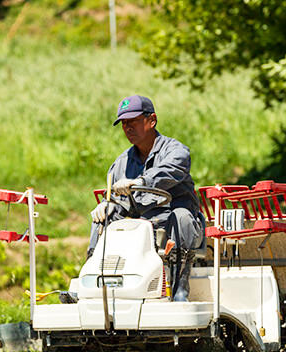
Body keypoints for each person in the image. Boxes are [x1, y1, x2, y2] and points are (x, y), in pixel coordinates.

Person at [87, 95, 203, 302]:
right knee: (103, 219)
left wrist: (140, 182)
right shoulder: (121, 163)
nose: (128, 128)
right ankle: (91, 283)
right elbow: (118, 200)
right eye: (124, 124)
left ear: (152, 120)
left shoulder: (175, 151)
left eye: (133, 121)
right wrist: (106, 205)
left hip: (176, 224)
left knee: (182, 216)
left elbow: (171, 171)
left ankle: (180, 288)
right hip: (142, 226)